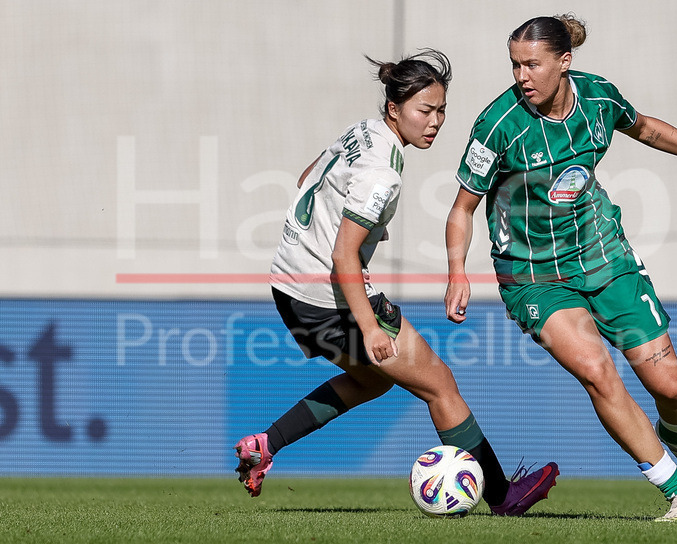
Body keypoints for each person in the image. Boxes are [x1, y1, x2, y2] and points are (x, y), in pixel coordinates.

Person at [444, 16, 677, 522]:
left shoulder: (598, 98)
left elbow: (648, 129)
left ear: (564, 61)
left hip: (605, 257)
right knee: (597, 371)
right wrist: (457, 271)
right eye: (514, 64)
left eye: (532, 64)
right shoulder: (497, 125)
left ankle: (676, 437)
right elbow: (463, 208)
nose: (521, 75)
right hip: (534, 277)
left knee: (669, 386)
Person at [234, 49, 558, 516]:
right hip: (330, 299)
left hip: (289, 288)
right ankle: (504, 496)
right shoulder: (382, 172)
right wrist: (368, 326)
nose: (436, 121)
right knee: (439, 385)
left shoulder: (362, 133)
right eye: (425, 111)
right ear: (394, 109)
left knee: (371, 381)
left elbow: (309, 176)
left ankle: (267, 444)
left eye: (441, 109)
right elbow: (343, 254)